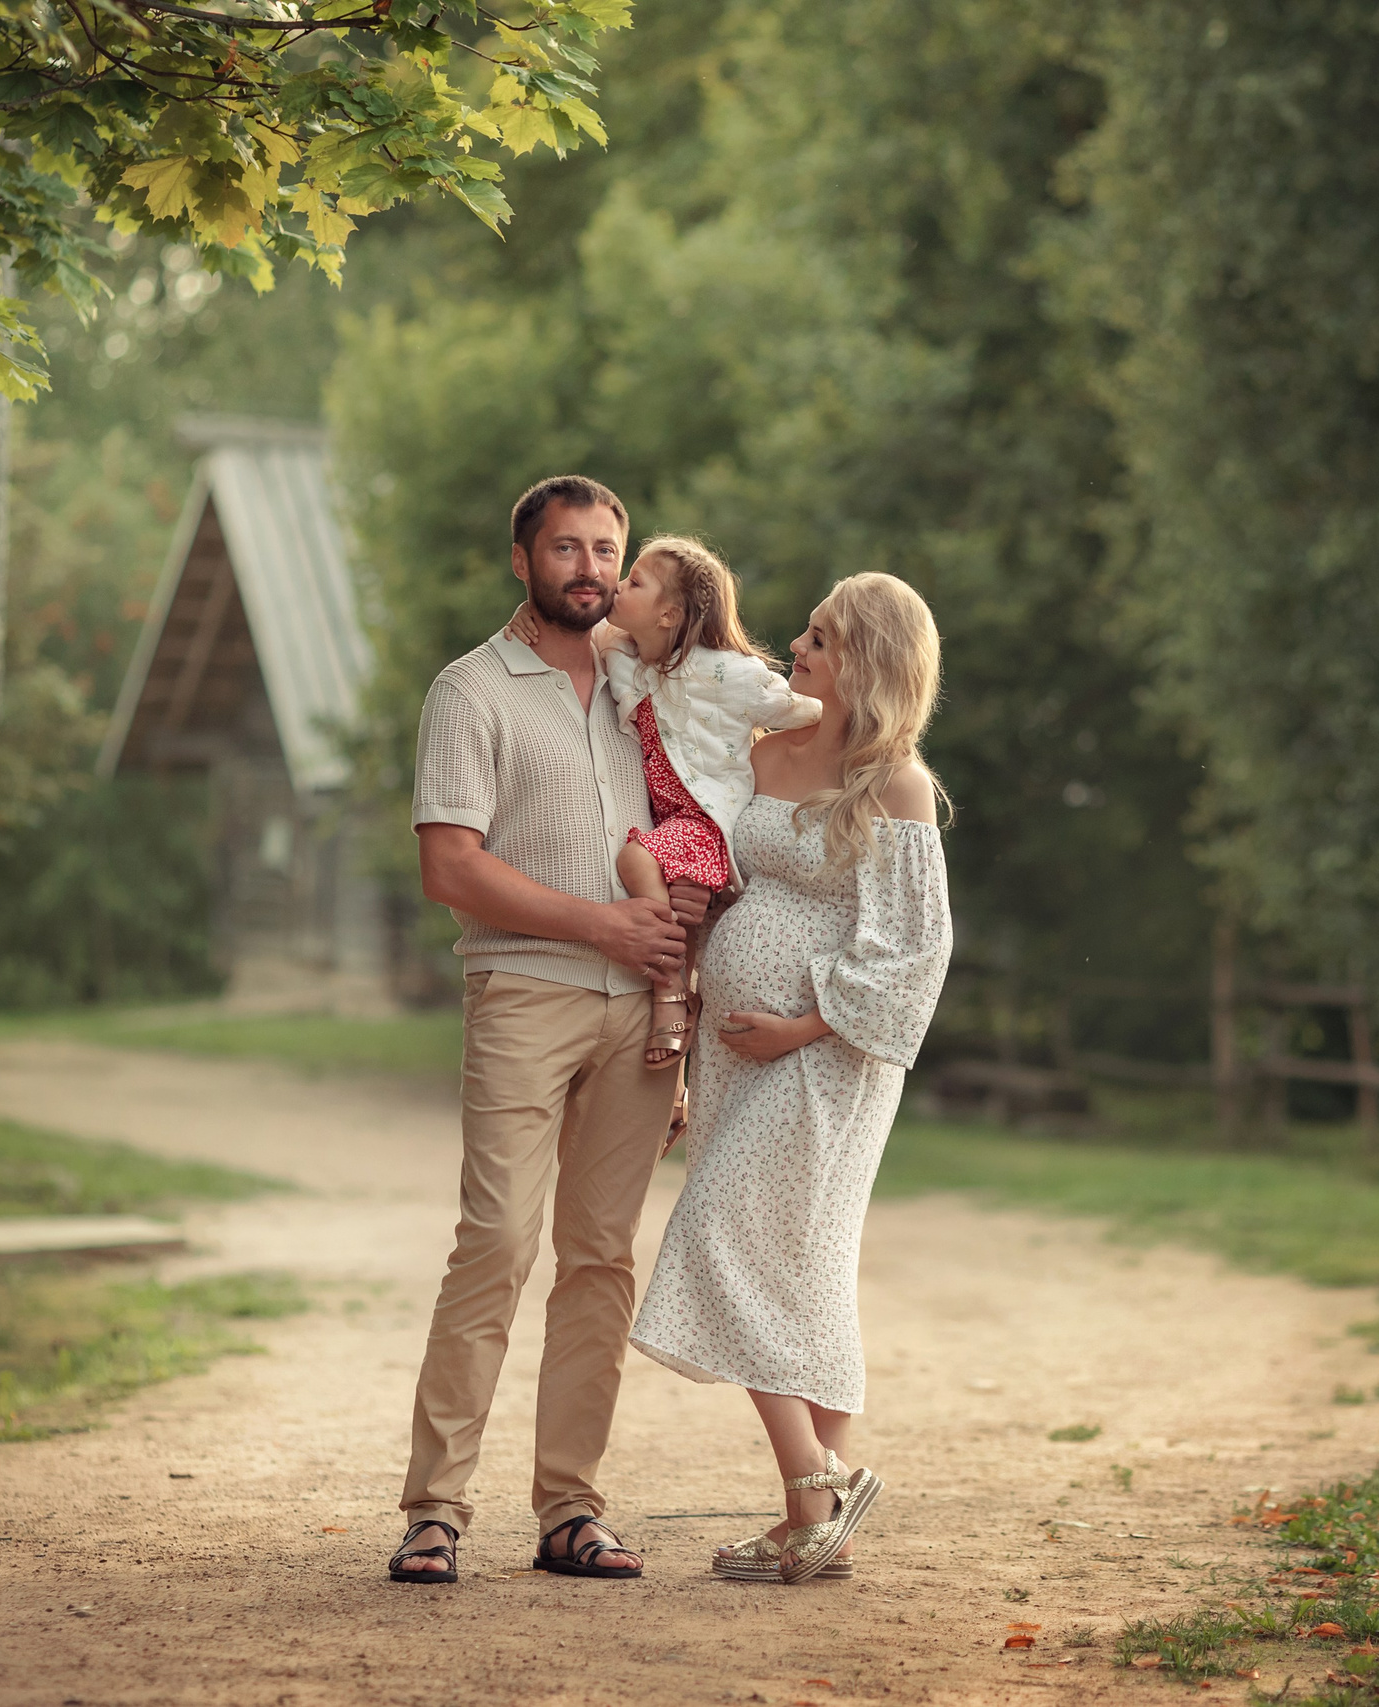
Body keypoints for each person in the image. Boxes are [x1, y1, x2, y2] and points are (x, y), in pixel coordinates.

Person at [387, 476, 713, 1587]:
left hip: (644, 1017)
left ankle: (571, 1509)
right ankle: (434, 1510)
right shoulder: (470, 691)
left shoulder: (646, 693)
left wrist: (677, 1002)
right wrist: (605, 927)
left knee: (600, 1261)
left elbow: (692, 844)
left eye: (605, 549)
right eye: (565, 548)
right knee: (497, 1245)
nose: (588, 568)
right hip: (525, 993)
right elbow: (451, 867)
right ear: (520, 562)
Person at [626, 572, 955, 1585]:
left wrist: (803, 1025)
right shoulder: (762, 754)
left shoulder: (893, 783)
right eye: (807, 634)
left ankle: (819, 1484)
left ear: (869, 662)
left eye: (820, 639)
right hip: (735, 1047)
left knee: (722, 1228)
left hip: (831, 1055)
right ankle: (810, 1522)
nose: (798, 651)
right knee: (805, 1271)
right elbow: (726, 877)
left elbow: (912, 951)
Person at [504, 535, 822, 1067]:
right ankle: (681, 1026)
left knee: (634, 858)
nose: (618, 586)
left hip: (702, 819)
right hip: (666, 819)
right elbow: (583, 622)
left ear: (670, 612)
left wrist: (872, 720)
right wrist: (524, 611)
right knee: (678, 907)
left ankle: (669, 991)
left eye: (634, 582)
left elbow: (801, 709)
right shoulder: (627, 657)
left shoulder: (725, 673)